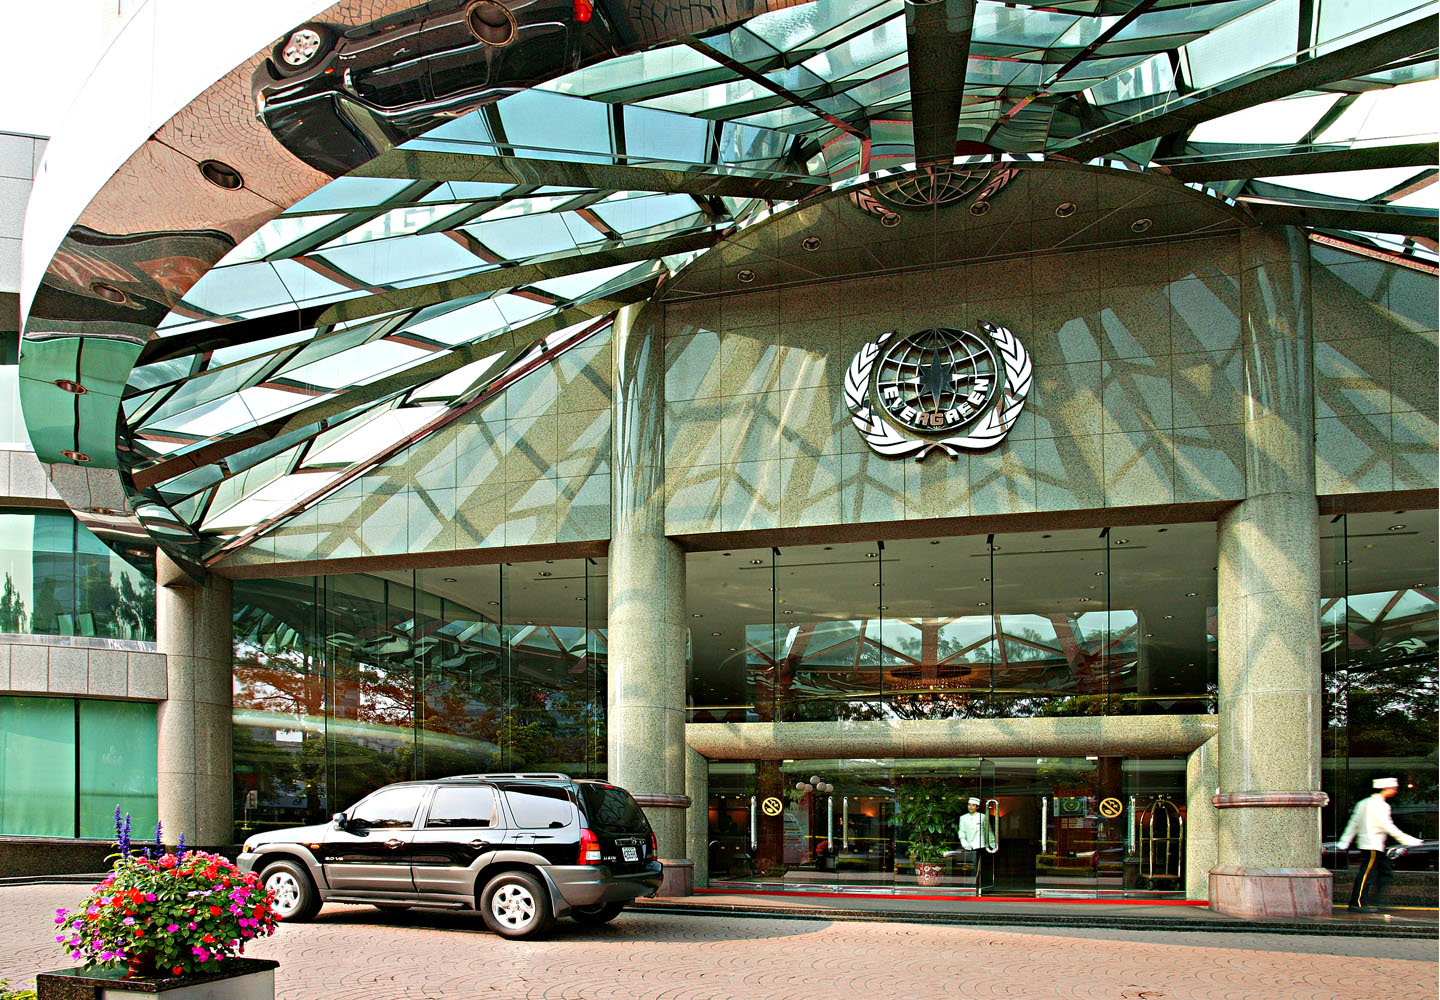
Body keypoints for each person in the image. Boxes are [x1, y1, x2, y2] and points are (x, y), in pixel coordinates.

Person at [1336, 777, 1421, 912]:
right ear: (1386, 789)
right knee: (1366, 874)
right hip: (1373, 845)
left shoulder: (1363, 803)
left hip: (1368, 844)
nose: (1395, 791)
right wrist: (1408, 840)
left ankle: (1375, 902)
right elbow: (1388, 826)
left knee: (1383, 872)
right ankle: (1357, 903)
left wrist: (1345, 840)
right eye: (1393, 789)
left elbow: (1353, 823)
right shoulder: (1382, 806)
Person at [957, 796, 986, 892]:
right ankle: (970, 885)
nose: (970, 807)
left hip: (980, 845)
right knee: (969, 867)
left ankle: (976, 885)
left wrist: (992, 843)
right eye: (969, 805)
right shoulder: (963, 818)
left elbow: (987, 831)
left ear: (977, 807)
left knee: (977, 867)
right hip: (967, 846)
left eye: (973, 805)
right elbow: (961, 832)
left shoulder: (983, 817)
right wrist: (964, 843)